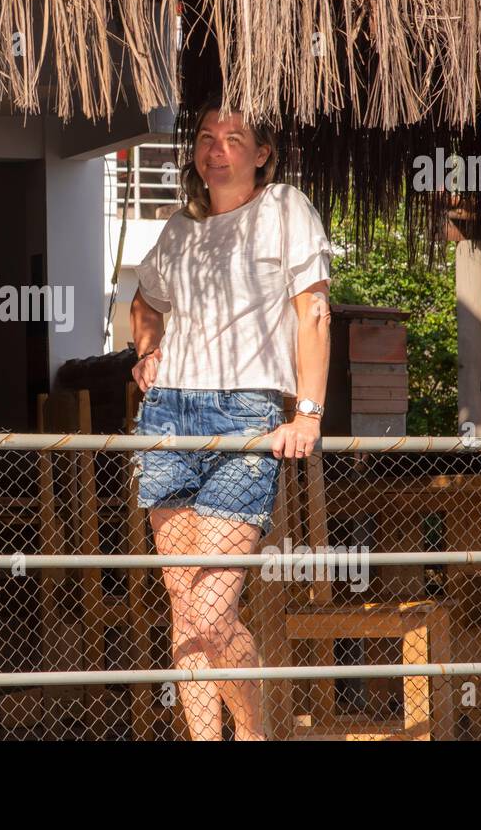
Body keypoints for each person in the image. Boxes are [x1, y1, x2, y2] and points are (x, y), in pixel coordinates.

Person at [130, 96, 332, 740]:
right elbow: (145, 301)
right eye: (208, 138)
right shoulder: (178, 228)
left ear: (262, 153)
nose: (217, 150)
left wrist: (307, 411)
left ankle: (251, 735)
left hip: (247, 414)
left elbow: (314, 314)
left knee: (214, 612)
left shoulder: (284, 210)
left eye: (234, 139)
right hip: (168, 413)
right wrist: (147, 352)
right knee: (184, 607)